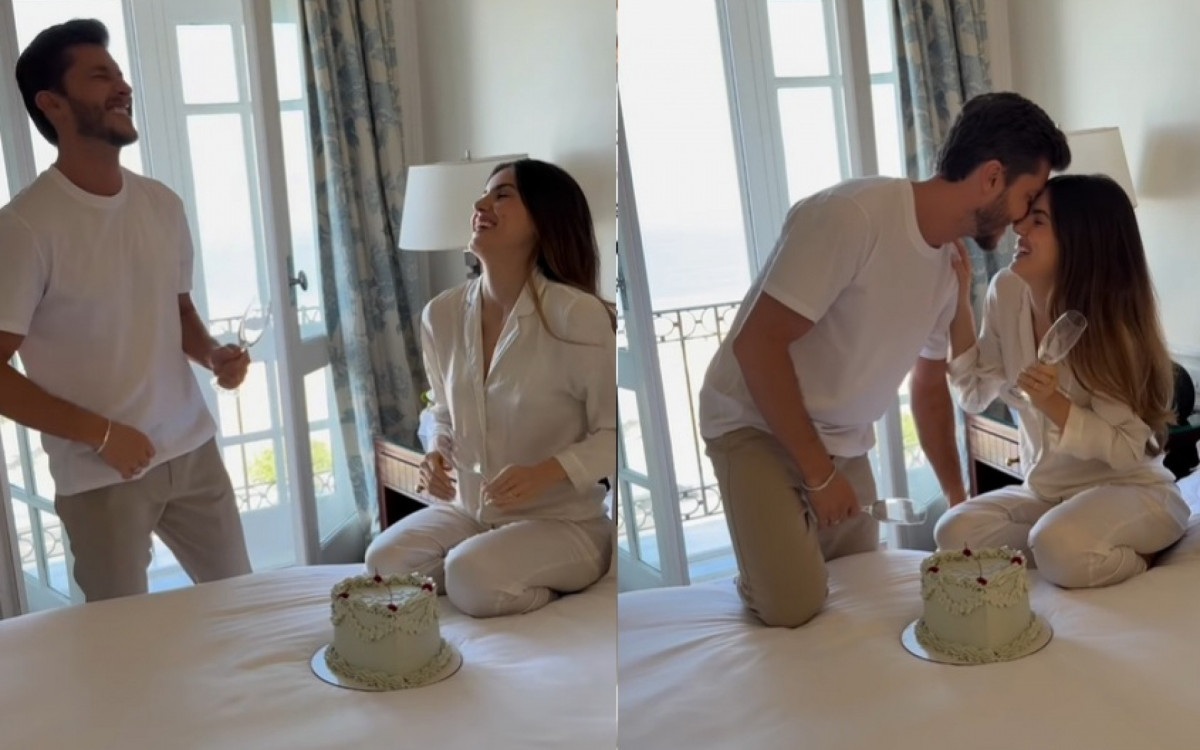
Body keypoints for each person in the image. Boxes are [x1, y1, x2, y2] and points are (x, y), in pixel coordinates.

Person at [697, 92, 1071, 628]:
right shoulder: (851, 217)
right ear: (992, 177)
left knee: (860, 588)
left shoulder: (947, 268)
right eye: (1027, 197)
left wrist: (957, 495)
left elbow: (929, 388)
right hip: (755, 424)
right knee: (792, 605)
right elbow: (757, 346)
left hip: (844, 443)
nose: (1020, 222)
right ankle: (760, 572)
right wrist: (819, 476)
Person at [0, 19, 253, 602]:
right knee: (119, 640)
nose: (122, 86)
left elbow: (176, 310)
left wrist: (213, 355)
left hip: (192, 450)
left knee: (244, 609)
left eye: (118, 73)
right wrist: (104, 435)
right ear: (51, 103)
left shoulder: (162, 204)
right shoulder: (24, 229)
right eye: (99, 76)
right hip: (100, 474)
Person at [364, 159, 615, 618]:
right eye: (484, 194)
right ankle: (484, 568)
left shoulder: (578, 317)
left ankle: (541, 588)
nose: (481, 204)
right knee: (382, 562)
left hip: (563, 522)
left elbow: (613, 434)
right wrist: (435, 452)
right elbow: (441, 411)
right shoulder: (441, 315)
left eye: (502, 195)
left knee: (468, 574)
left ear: (544, 218)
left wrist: (548, 471)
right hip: (470, 512)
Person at [935, 174, 1189, 587]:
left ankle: (1140, 554)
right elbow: (973, 393)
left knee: (1057, 543)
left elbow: (1131, 450)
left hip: (1129, 489)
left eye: (1038, 221)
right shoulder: (1008, 292)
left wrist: (1053, 403)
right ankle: (1062, 545)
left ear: (1079, 242)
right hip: (1047, 494)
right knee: (954, 532)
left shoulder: (1110, 329)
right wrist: (958, 301)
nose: (1019, 228)